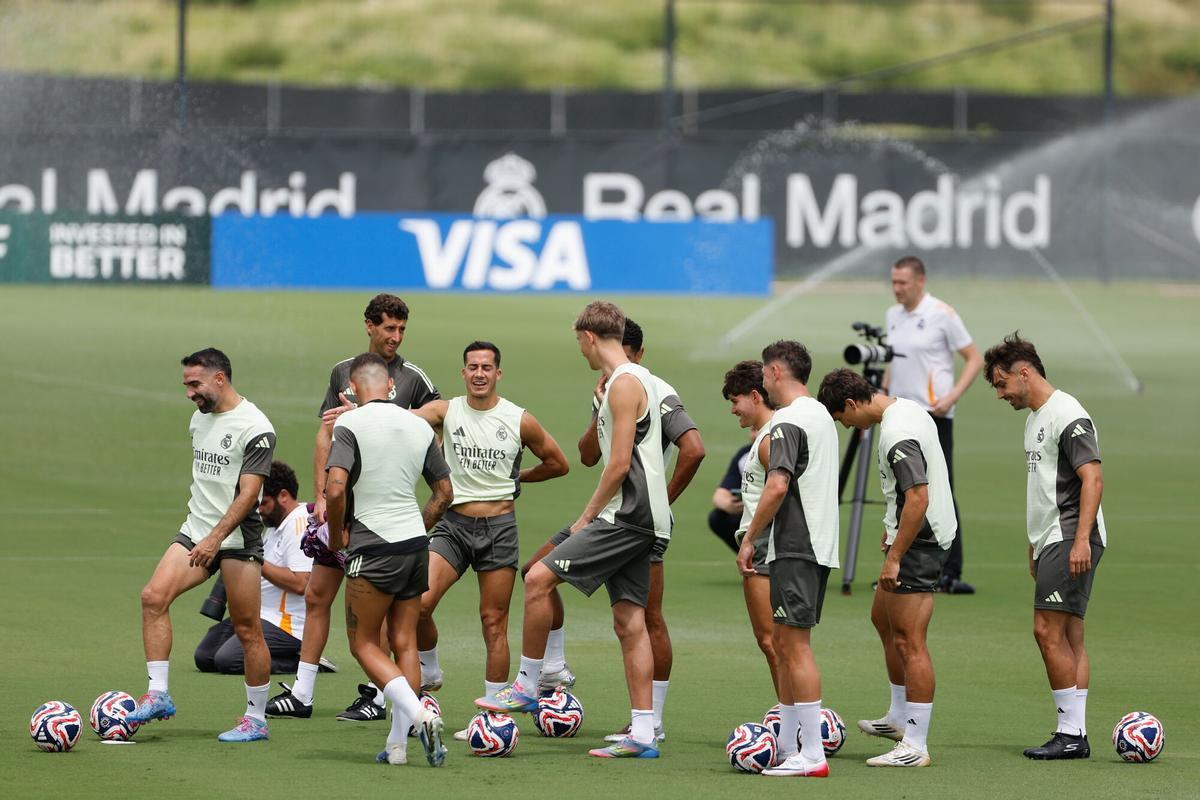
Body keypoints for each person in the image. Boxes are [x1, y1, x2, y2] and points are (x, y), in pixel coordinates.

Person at [478, 301, 671, 759]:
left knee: (538, 578)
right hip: (649, 518)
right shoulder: (635, 381)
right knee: (629, 622)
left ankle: (528, 683)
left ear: (588, 337)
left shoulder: (624, 385)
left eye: (578, 341)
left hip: (626, 516)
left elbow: (619, 464)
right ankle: (644, 733)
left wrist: (587, 517)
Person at [518, 317, 705, 745]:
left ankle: (651, 720)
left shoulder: (650, 387)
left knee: (646, 617)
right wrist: (596, 409)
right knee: (611, 608)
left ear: (632, 352)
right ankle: (559, 670)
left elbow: (693, 448)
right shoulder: (609, 389)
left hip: (631, 514)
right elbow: (587, 456)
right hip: (614, 510)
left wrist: (661, 498)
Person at [270, 293, 440, 722]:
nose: (396, 337)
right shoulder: (342, 372)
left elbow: (439, 418)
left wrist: (379, 414)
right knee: (317, 594)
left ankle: (378, 697)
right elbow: (324, 436)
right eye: (388, 328)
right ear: (369, 325)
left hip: (382, 515)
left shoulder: (413, 378)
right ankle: (304, 692)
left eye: (402, 330)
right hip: (339, 505)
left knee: (378, 612)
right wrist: (320, 499)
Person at [410, 341, 570, 738]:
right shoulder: (445, 411)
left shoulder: (519, 419)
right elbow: (398, 419)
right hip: (452, 527)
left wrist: (521, 478)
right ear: (462, 373)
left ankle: (491, 717)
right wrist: (359, 412)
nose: (479, 373)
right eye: (472, 367)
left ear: (498, 373)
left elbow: (558, 463)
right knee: (418, 603)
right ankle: (429, 668)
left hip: (499, 530)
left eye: (486, 367)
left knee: (493, 623)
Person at [128, 348, 277, 743]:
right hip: (196, 531)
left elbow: (249, 495)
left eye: (195, 384)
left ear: (220, 379)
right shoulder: (199, 419)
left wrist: (216, 539)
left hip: (236, 540)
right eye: (187, 385)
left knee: (247, 631)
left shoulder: (256, 427)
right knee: (152, 597)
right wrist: (204, 534)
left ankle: (256, 720)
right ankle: (158, 694)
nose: (190, 393)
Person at [818, 368, 957, 768]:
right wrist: (891, 528)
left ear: (850, 404)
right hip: (915, 535)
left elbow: (917, 497)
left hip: (922, 543)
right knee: (882, 618)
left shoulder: (897, 434)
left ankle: (915, 744)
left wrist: (896, 554)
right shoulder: (904, 408)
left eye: (842, 419)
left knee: (910, 641)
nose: (846, 426)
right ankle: (898, 716)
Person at [325, 352, 454, 766]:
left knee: (363, 643)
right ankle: (397, 748)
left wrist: (335, 534)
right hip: (415, 546)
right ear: (392, 388)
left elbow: (335, 489)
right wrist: (417, 524)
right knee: (405, 642)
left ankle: (419, 718)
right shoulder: (417, 425)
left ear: (352, 389)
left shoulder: (348, 424)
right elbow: (445, 493)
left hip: (371, 547)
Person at [984, 333, 1106, 760]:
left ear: (1024, 372)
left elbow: (1092, 477)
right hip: (1052, 537)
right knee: (1070, 635)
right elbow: (1043, 489)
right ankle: (1076, 731)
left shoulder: (1067, 413)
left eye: (1001, 384)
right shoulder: (1035, 418)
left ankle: (1071, 734)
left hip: (1071, 533)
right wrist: (1034, 543)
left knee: (1045, 630)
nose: (1000, 395)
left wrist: (1079, 541)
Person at [736, 340, 839, 778]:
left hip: (796, 543)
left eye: (763, 372)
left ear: (776, 371)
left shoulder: (789, 421)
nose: (760, 379)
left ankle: (811, 755)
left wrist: (749, 539)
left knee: (794, 648)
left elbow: (777, 486)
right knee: (785, 644)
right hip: (817, 544)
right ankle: (791, 744)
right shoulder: (820, 416)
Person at [885, 256, 983, 594]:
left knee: (940, 489)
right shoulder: (892, 316)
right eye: (894, 282)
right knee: (902, 490)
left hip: (934, 416)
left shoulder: (942, 313)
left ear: (920, 281)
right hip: (900, 416)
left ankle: (950, 570)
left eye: (903, 283)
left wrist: (953, 396)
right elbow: (893, 364)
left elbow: (974, 357)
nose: (897, 289)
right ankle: (902, 564)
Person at [194, 461, 318, 676]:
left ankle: (304, 662)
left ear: (284, 495)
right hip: (260, 616)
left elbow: (301, 584)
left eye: (264, 503)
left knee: (228, 660)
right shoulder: (274, 525)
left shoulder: (300, 524)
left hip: (287, 625)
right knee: (205, 656)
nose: (258, 510)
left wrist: (254, 560)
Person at [721, 361, 780, 695]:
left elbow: (783, 490)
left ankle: (796, 721)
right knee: (773, 642)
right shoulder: (770, 435)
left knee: (772, 640)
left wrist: (751, 538)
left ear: (756, 396)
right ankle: (795, 718)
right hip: (768, 546)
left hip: (767, 548)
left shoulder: (770, 439)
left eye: (735, 400)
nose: (733, 410)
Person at [709, 438, 751, 554]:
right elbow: (719, 496)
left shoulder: (782, 452)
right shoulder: (746, 454)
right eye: (753, 430)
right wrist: (731, 504)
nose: (755, 433)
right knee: (718, 518)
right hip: (755, 514)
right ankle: (753, 560)